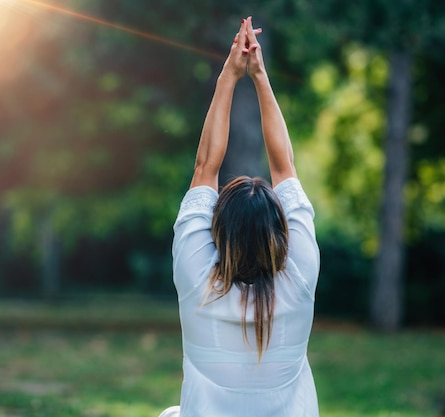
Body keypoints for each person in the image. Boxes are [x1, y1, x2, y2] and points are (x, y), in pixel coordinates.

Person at [159, 16, 320, 417]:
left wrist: (229, 75)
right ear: (279, 233)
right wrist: (260, 76)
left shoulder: (198, 283)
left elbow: (204, 168)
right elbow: (285, 167)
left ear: (218, 232)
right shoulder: (299, 278)